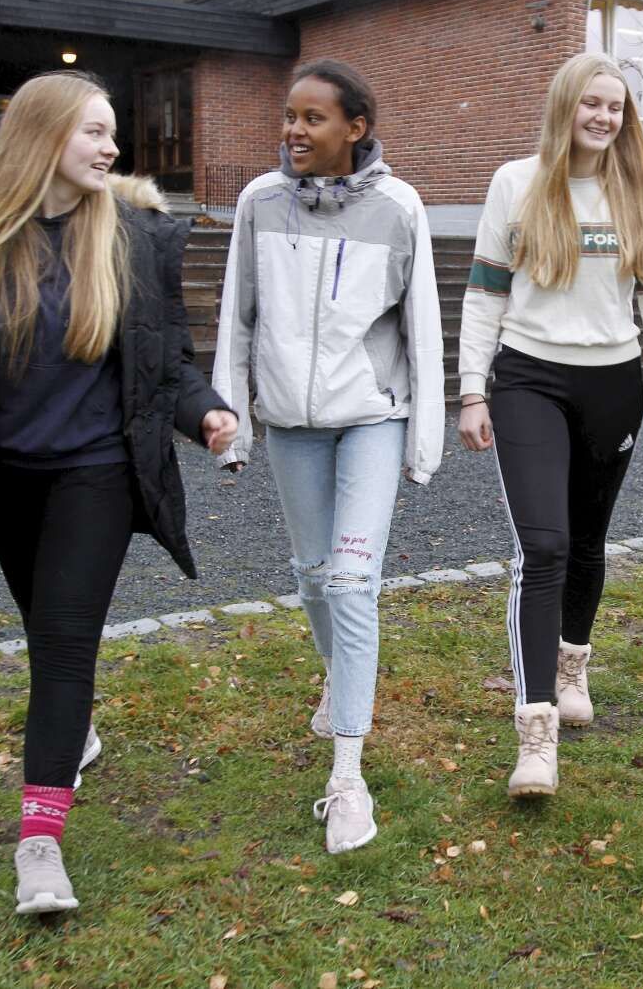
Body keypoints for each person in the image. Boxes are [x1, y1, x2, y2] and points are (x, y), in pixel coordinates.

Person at [0, 70, 239, 913]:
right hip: (4, 477)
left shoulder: (133, 239)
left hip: (95, 475)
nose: (112, 149)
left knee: (67, 646)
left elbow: (166, 361)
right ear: (42, 137)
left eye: (112, 133)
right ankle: (73, 731)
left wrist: (205, 413)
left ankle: (39, 845)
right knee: (47, 639)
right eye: (94, 132)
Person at [212, 59, 443, 853]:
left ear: (356, 127)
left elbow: (421, 328)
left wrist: (423, 442)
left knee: (350, 579)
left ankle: (347, 778)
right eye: (290, 115)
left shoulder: (399, 206)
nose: (294, 129)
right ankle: (339, 676)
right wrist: (234, 420)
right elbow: (237, 317)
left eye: (313, 117)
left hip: (372, 415)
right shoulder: (259, 203)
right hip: (291, 422)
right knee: (312, 575)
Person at [457, 52, 643, 799]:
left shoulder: (638, 190)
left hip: (612, 385)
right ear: (564, 106)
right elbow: (486, 293)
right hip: (529, 379)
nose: (603, 117)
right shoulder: (515, 183)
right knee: (544, 547)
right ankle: (535, 732)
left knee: (587, 541)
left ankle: (572, 663)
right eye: (591, 103)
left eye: (615, 107)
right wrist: (472, 390)